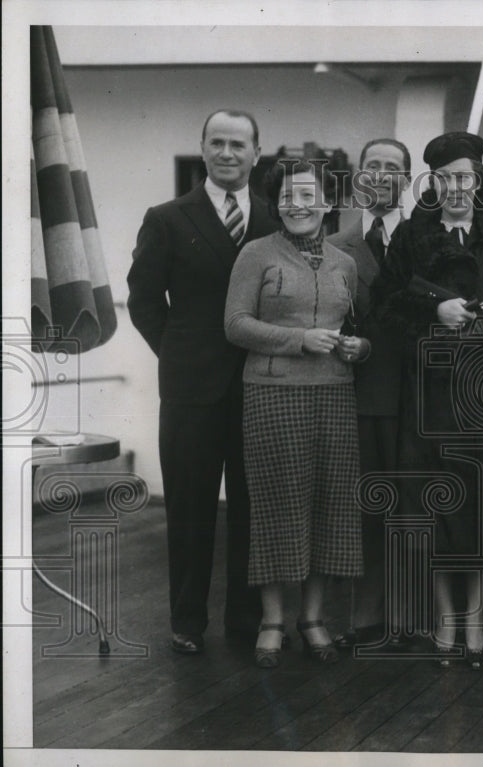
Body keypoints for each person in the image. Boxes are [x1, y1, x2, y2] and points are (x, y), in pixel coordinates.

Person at [376, 131, 483, 669]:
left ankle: (476, 617)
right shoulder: (413, 238)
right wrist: (434, 311)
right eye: (444, 179)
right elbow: (387, 307)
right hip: (433, 391)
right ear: (433, 183)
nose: (455, 188)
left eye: (464, 177)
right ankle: (445, 615)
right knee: (438, 500)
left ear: (480, 180)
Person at [127, 109, 277, 655]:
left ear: (257, 153)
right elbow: (144, 299)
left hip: (261, 385)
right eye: (217, 142)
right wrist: (177, 353)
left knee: (252, 506)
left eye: (238, 144)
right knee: (189, 507)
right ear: (203, 149)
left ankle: (245, 616)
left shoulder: (274, 218)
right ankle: (187, 621)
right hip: (191, 390)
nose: (227, 152)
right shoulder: (167, 217)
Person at [224, 159, 368, 667]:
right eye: (288, 195)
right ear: (276, 201)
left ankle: (313, 619)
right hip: (271, 393)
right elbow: (236, 325)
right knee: (275, 505)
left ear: (329, 203)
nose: (298, 204)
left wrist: (358, 348)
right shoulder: (255, 254)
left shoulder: (343, 263)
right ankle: (272, 621)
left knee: (328, 506)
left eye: (309, 195)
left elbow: (355, 328)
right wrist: (299, 340)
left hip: (334, 393)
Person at [327, 138, 411, 651]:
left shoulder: (427, 237)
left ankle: (409, 617)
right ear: (359, 176)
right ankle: (364, 617)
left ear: (407, 179)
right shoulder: (334, 245)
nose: (381, 175)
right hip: (356, 397)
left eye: (393, 168)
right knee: (361, 509)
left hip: (416, 395)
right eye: (372, 166)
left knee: (414, 507)